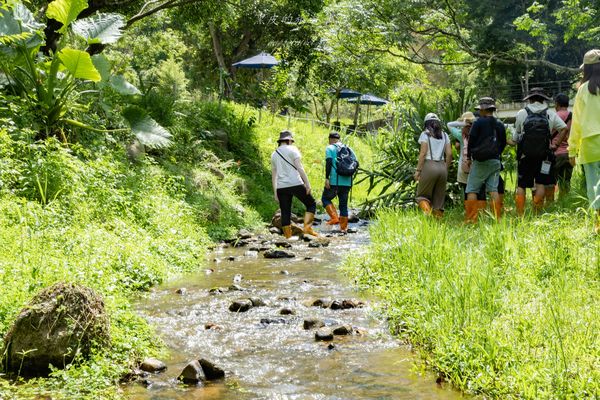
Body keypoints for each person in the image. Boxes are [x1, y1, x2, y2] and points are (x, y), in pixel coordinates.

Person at [513, 87, 567, 215]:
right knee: (541, 183)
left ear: (530, 99)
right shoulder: (550, 113)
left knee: (521, 185)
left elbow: (517, 136)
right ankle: (537, 211)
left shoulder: (522, 113)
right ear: (543, 99)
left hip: (525, 155)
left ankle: (520, 213)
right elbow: (564, 128)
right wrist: (555, 144)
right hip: (544, 155)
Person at [569, 49, 600, 234]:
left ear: (586, 68)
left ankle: (598, 225)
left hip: (590, 145)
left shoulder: (582, 90)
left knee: (594, 186)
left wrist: (572, 150)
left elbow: (577, 123)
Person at [464, 97, 506, 222]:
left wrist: (469, 157)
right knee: (493, 189)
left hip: (480, 161)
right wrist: (496, 153)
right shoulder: (499, 124)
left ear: (482, 110)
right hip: (495, 160)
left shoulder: (478, 123)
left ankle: (471, 219)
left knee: (471, 189)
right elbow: (503, 142)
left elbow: (471, 141)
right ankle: (497, 218)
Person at [271, 130, 318, 238]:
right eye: (291, 141)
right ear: (288, 140)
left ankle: (288, 237)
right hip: (295, 183)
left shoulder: (274, 154)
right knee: (311, 203)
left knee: (285, 211)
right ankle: (307, 229)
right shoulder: (293, 149)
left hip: (281, 187)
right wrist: (307, 183)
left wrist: (275, 192)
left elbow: (274, 175)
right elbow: (299, 168)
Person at [414, 113, 452, 218]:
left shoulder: (425, 134)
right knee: (439, 201)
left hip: (429, 165)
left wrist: (418, 171)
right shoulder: (445, 135)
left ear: (426, 124)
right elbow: (449, 154)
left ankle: (428, 216)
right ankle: (438, 223)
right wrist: (445, 167)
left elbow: (423, 153)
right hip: (442, 167)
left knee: (422, 196)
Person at [322, 132, 353, 233]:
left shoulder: (330, 148)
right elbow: (355, 163)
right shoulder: (348, 149)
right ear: (339, 139)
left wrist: (327, 178)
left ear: (330, 139)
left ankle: (334, 217)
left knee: (325, 199)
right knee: (343, 205)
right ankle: (343, 228)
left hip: (335, 181)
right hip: (347, 182)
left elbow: (329, 162)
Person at [547, 93, 574, 200]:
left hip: (556, 153)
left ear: (557, 104)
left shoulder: (554, 116)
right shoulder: (572, 116)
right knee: (566, 181)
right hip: (569, 153)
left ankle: (551, 203)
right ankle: (564, 202)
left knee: (551, 181)